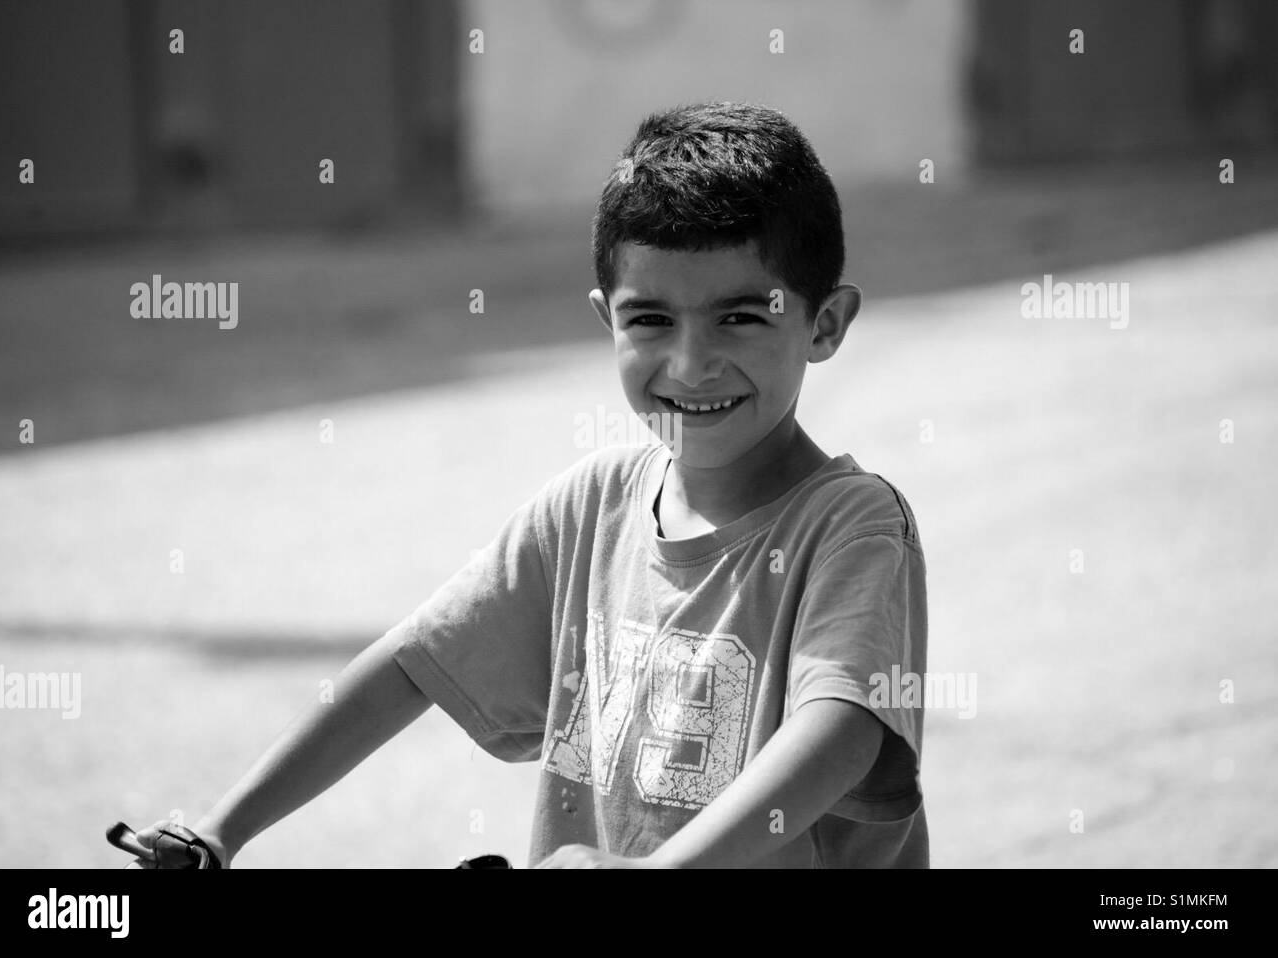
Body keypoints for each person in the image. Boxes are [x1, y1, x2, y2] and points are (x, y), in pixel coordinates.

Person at [129, 100, 929, 869]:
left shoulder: (851, 525)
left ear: (825, 324)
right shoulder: (589, 509)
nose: (690, 365)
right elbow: (411, 667)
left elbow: (842, 731)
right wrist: (220, 832)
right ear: (605, 319)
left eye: (741, 318)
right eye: (650, 321)